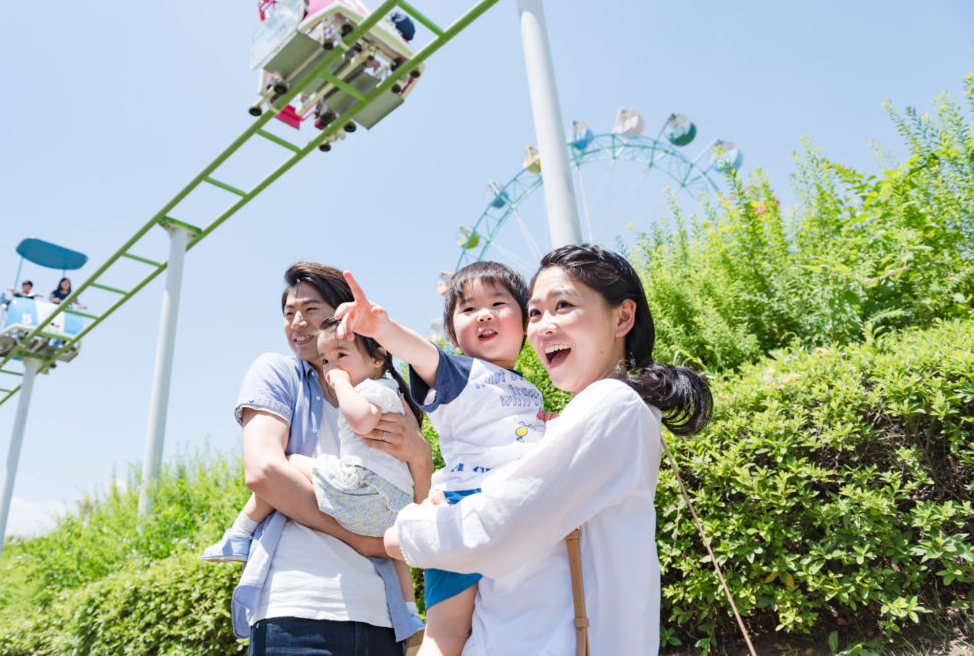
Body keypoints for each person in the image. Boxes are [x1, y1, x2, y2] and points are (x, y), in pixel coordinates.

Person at [383, 245, 713, 655]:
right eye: (536, 313)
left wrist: (407, 531)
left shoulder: (613, 403)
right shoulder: (576, 417)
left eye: (563, 305)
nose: (543, 326)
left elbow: (494, 528)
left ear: (622, 316)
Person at [334, 261, 548, 656]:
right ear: (453, 334)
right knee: (445, 635)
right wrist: (382, 328)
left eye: (499, 303)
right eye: (468, 310)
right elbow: (421, 353)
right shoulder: (460, 373)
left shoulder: (530, 389)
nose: (484, 313)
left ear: (526, 321)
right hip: (459, 513)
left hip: (510, 515)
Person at [229, 262, 433, 655]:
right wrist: (367, 542)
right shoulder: (276, 373)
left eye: (310, 309)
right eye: (289, 313)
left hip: (381, 617)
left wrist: (421, 458)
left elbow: (417, 515)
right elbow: (263, 471)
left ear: (343, 316)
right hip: (297, 606)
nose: (297, 322)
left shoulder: (389, 396)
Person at [202, 317, 424, 626]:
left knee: (290, 463)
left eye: (341, 356)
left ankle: (240, 533)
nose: (332, 367)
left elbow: (362, 420)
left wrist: (343, 384)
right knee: (391, 555)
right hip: (391, 504)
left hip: (364, 486)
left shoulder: (375, 390)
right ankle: (410, 612)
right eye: (326, 360)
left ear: (377, 356)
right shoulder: (391, 392)